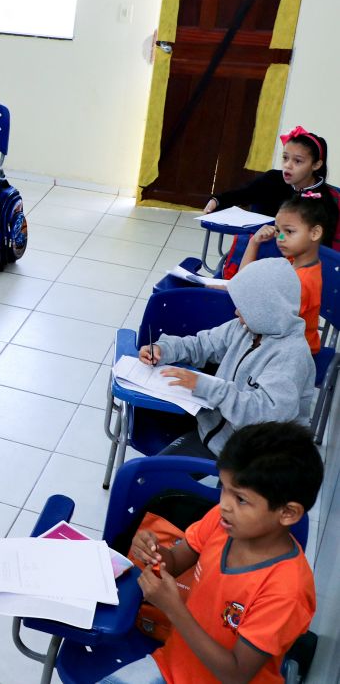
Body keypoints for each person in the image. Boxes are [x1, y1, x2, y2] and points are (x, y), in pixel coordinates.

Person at [108, 421, 321, 684]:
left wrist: (174, 609)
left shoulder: (288, 591)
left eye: (240, 499)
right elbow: (174, 561)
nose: (225, 505)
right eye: (224, 489)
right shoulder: (222, 522)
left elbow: (236, 675)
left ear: (288, 513)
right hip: (171, 665)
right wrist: (153, 551)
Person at [139, 256, 314, 459]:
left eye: (245, 307)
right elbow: (202, 345)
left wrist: (207, 387)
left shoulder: (292, 356)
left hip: (255, 458)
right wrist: (164, 349)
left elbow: (266, 416)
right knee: (153, 471)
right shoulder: (244, 328)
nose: (236, 312)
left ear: (265, 311)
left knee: (153, 473)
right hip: (215, 435)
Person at [205, 126, 338, 253]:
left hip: (296, 261)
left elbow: (321, 247)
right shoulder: (272, 179)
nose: (287, 165)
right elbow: (241, 194)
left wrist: (280, 236)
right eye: (285, 158)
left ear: (316, 165)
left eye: (297, 161)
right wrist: (216, 201)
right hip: (258, 248)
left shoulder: (324, 201)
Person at [238, 193, 333, 354]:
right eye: (278, 230)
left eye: (289, 231)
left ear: (315, 233)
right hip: (278, 342)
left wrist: (245, 309)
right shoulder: (292, 261)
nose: (280, 238)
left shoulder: (301, 282)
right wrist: (254, 242)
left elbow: (256, 317)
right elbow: (243, 282)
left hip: (294, 354)